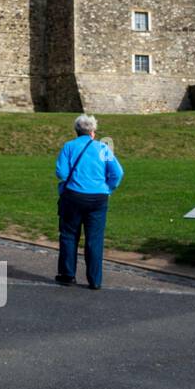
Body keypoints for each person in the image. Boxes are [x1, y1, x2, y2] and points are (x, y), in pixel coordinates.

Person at [55, 113, 124, 290]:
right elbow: (117, 173)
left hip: (73, 196)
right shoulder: (103, 148)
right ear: (93, 131)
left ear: (76, 130)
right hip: (98, 198)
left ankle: (67, 274)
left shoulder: (69, 146)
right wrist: (108, 188)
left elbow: (61, 172)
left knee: (69, 235)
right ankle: (95, 279)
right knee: (95, 239)